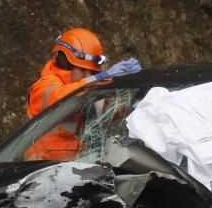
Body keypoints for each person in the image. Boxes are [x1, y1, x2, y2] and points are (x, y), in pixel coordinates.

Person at [25, 28, 142, 160]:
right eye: (83, 70)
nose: (88, 76)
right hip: (40, 170)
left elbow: (105, 113)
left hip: (77, 170)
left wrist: (126, 92)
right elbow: (63, 97)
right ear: (66, 64)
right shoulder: (44, 86)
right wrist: (101, 77)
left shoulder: (86, 89)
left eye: (92, 72)